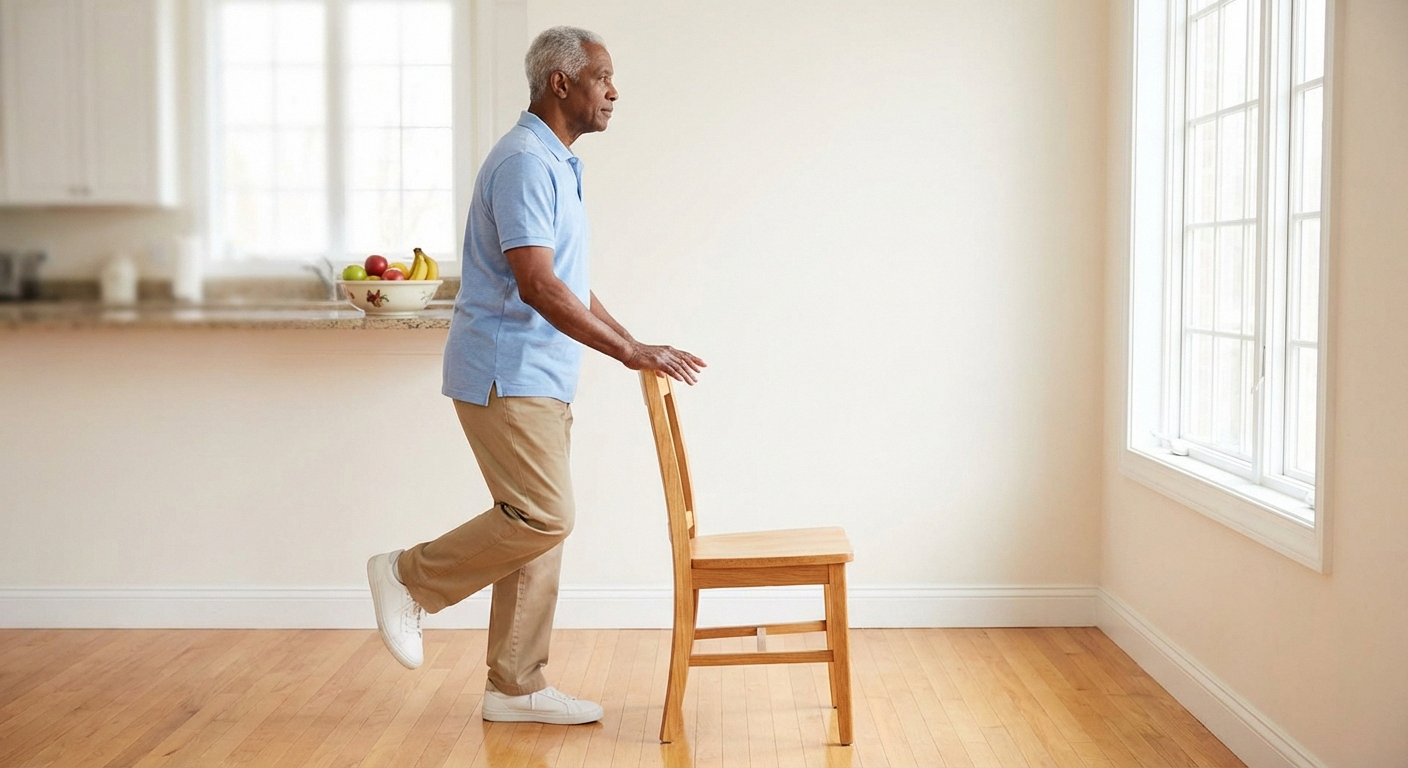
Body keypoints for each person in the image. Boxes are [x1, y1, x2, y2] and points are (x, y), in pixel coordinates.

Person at [366, 25, 706, 726]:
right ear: (561, 82)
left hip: (540, 375)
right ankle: (407, 576)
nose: (614, 91)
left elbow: (569, 285)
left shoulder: (557, 163)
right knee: (546, 515)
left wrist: (633, 341)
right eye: (602, 77)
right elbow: (536, 287)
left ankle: (514, 686)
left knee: (534, 525)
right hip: (506, 374)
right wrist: (627, 354)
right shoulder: (526, 161)